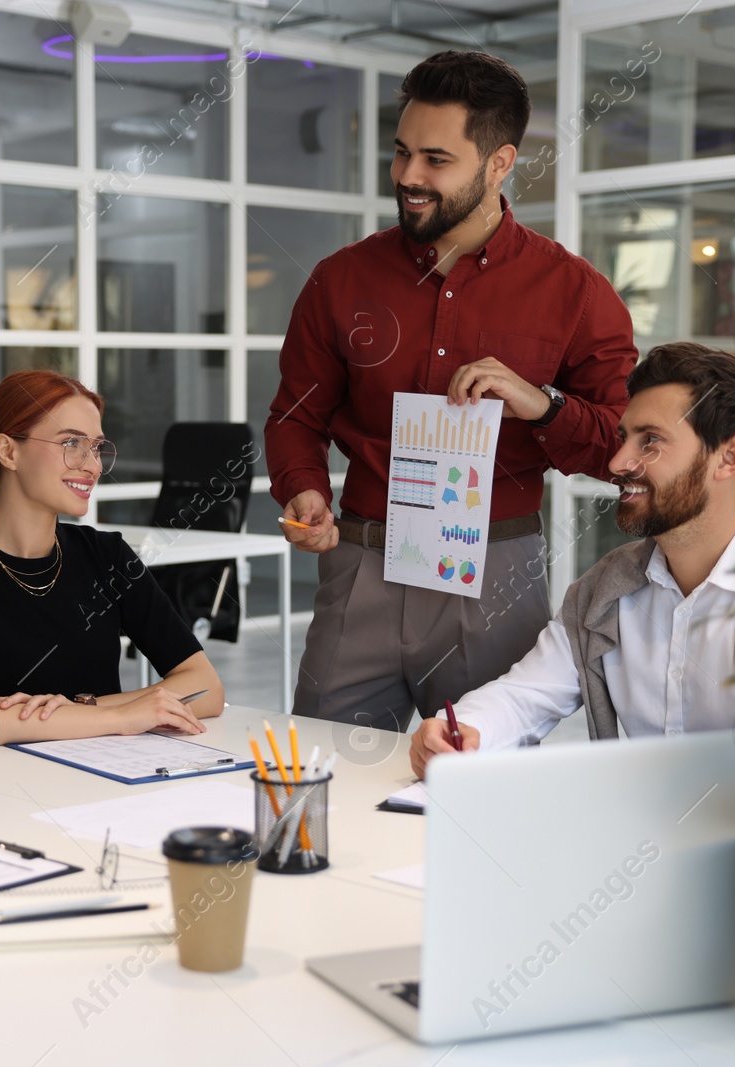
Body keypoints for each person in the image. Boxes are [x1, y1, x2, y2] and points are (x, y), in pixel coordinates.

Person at [266, 50, 639, 732]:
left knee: (481, 799)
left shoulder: (575, 292)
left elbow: (620, 444)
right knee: (320, 784)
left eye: (436, 159)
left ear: (500, 163)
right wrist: (304, 486)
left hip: (494, 579)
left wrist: (541, 403)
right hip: (361, 568)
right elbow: (295, 416)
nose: (408, 175)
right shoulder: (339, 280)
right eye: (402, 151)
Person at [410, 343, 735, 787]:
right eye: (624, 438)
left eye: (650, 441)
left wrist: (701, 796)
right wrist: (464, 731)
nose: (617, 461)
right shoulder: (604, 591)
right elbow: (523, 695)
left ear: (730, 456)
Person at [0, 369, 225, 748]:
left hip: (105, 775)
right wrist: (121, 715)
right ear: (8, 451)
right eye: (71, 443)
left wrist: (86, 706)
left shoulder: (108, 556)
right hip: (1, 790)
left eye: (95, 446)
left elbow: (206, 688)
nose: (92, 466)